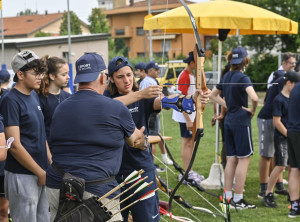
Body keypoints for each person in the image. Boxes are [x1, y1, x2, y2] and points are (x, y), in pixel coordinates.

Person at [105, 56, 210, 222]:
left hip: (141, 170)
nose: (127, 80)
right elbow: (107, 106)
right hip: (114, 174)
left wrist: (193, 100)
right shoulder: (107, 99)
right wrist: (140, 94)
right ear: (111, 78)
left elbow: (168, 102)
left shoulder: (143, 98)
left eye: (129, 75)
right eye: (120, 77)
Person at [46, 53, 146, 222]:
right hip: (97, 190)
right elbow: (135, 140)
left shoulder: (61, 107)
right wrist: (142, 140)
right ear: (102, 77)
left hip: (58, 185)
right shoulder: (115, 107)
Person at [0, 50, 51, 221]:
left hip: (41, 172)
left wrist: (50, 166)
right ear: (20, 74)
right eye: (36, 73)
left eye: (41, 73)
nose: (40, 77)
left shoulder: (34, 96)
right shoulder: (11, 100)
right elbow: (13, 145)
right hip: (22, 174)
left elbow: (41, 135)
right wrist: (39, 172)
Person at [211, 47, 258, 209]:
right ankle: (237, 199)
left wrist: (228, 105)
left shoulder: (226, 76)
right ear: (245, 61)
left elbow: (213, 95)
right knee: (244, 159)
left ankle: (228, 198)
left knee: (231, 159)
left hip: (229, 121)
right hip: (240, 121)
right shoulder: (243, 77)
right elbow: (254, 97)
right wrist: (252, 110)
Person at [257, 52, 295, 199]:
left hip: (277, 118)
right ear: (284, 63)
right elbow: (271, 100)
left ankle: (279, 186)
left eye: (294, 63)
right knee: (267, 154)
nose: (293, 65)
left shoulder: (289, 77)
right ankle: (263, 189)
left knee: (277, 155)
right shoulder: (282, 77)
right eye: (291, 63)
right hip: (267, 118)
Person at [262, 71, 299, 208]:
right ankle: (268, 193)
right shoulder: (279, 99)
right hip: (282, 137)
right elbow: (276, 121)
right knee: (281, 165)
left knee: (292, 166)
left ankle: (292, 194)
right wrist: (288, 134)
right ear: (289, 83)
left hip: (291, 137)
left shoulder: (293, 98)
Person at [172, 51, 205, 184]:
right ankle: (187, 174)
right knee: (187, 143)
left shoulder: (190, 75)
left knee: (191, 143)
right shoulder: (185, 76)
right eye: (198, 63)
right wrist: (188, 120)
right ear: (192, 63)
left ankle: (189, 171)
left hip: (190, 115)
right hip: (185, 116)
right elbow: (181, 100)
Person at [140, 61, 173, 169]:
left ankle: (158, 161)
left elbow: (160, 94)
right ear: (150, 71)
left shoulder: (152, 80)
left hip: (154, 113)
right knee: (152, 139)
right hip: (151, 113)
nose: (158, 71)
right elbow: (148, 99)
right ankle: (151, 165)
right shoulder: (147, 82)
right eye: (156, 69)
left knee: (156, 135)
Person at [37, 56, 70, 150]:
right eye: (64, 74)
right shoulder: (40, 99)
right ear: (52, 76)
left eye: (68, 73)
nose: (68, 77)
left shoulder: (68, 97)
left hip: (67, 149)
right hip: (50, 150)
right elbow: (40, 131)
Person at [287, 79, 300, 218]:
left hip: (292, 131)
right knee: (295, 169)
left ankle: (295, 206)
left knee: (295, 169)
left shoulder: (295, 88)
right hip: (297, 131)